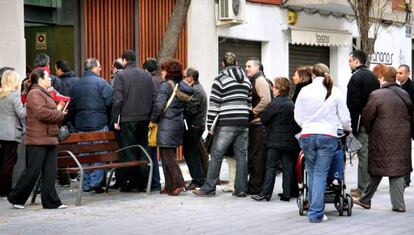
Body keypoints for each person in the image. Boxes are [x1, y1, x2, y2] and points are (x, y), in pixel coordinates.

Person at [294, 63, 351, 223]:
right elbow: (344, 116)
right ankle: (316, 213)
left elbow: (297, 115)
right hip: (327, 135)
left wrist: (306, 125)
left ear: (313, 76)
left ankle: (315, 208)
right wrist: (348, 128)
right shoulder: (335, 90)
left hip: (307, 135)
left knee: (312, 173)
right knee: (320, 174)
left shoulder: (305, 91)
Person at [353, 66, 412, 212]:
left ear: (382, 78)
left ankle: (365, 199)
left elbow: (367, 117)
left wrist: (370, 129)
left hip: (381, 139)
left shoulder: (376, 95)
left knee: (376, 169)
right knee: (397, 170)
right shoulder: (404, 94)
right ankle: (398, 205)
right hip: (402, 139)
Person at [193, 52, 252, 197]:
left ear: (223, 64)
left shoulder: (220, 79)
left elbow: (214, 105)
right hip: (244, 121)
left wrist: (209, 126)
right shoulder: (246, 80)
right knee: (241, 155)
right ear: (237, 63)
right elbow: (249, 103)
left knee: (216, 154)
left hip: (227, 122)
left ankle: (209, 188)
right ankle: (241, 189)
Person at [7, 68, 67, 209]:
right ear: (40, 80)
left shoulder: (44, 93)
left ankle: (51, 202)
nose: (51, 79)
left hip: (49, 137)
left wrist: (59, 112)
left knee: (50, 172)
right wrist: (59, 112)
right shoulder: (34, 93)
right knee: (32, 171)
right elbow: (42, 113)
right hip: (38, 139)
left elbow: (48, 113)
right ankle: (16, 198)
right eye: (48, 77)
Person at [111, 50, 158, 192]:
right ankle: (144, 183)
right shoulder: (146, 75)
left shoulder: (120, 76)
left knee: (129, 152)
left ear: (124, 61)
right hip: (145, 119)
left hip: (127, 120)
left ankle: (132, 183)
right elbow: (155, 97)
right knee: (144, 151)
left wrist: (115, 119)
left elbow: (117, 99)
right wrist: (153, 117)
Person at [251, 77, 300, 202]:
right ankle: (287, 194)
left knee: (270, 166)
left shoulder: (274, 103)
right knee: (287, 166)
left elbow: (264, 118)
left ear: (278, 89)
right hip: (289, 142)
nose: (272, 89)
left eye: (274, 87)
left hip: (274, 142)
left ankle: (265, 193)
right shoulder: (292, 103)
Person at [69, 58, 113, 193]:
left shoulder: (75, 85)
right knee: (100, 154)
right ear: (94, 67)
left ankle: (86, 184)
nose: (100, 69)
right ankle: (96, 183)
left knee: (84, 155)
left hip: (81, 125)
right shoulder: (101, 83)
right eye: (99, 67)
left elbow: (71, 106)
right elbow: (110, 102)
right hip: (99, 123)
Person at [150, 59, 193, 196]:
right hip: (177, 123)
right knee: (166, 155)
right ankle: (169, 186)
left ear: (168, 72)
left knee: (168, 156)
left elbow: (159, 106)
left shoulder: (165, 86)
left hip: (166, 124)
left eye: (163, 70)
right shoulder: (182, 86)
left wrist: (153, 120)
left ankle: (179, 183)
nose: (161, 72)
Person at [347, 50, 380, 198]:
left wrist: (351, 127)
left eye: (350, 61)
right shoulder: (373, 76)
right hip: (372, 121)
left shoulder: (356, 77)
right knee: (367, 154)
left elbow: (353, 104)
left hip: (361, 122)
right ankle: (364, 186)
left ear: (356, 61)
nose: (349, 64)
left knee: (363, 155)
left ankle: (363, 188)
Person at [245, 57, 272, 195]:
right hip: (259, 124)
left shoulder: (260, 80)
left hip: (259, 125)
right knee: (257, 156)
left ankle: (255, 187)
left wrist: (253, 112)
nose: (246, 68)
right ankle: (255, 185)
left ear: (258, 67)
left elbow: (266, 100)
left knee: (257, 156)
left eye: (249, 66)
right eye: (246, 66)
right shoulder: (259, 80)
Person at [0, 70, 26, 197]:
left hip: (1, 132)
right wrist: (28, 104)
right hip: (11, 133)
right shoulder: (14, 95)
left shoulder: (1, 94)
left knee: (3, 160)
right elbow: (22, 113)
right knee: (9, 162)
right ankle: (5, 190)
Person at [182, 67, 207, 190]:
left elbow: (191, 110)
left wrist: (182, 114)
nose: (182, 79)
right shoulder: (196, 88)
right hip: (196, 126)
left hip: (194, 126)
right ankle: (199, 178)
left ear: (190, 78)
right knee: (194, 153)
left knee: (191, 154)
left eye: (184, 77)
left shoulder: (195, 90)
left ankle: (197, 180)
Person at [396, 64, 413, 187]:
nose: (398, 75)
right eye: (397, 73)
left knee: (405, 153)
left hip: (408, 125)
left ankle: (406, 179)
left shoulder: (411, 88)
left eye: (401, 73)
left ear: (408, 74)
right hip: (401, 125)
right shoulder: (399, 87)